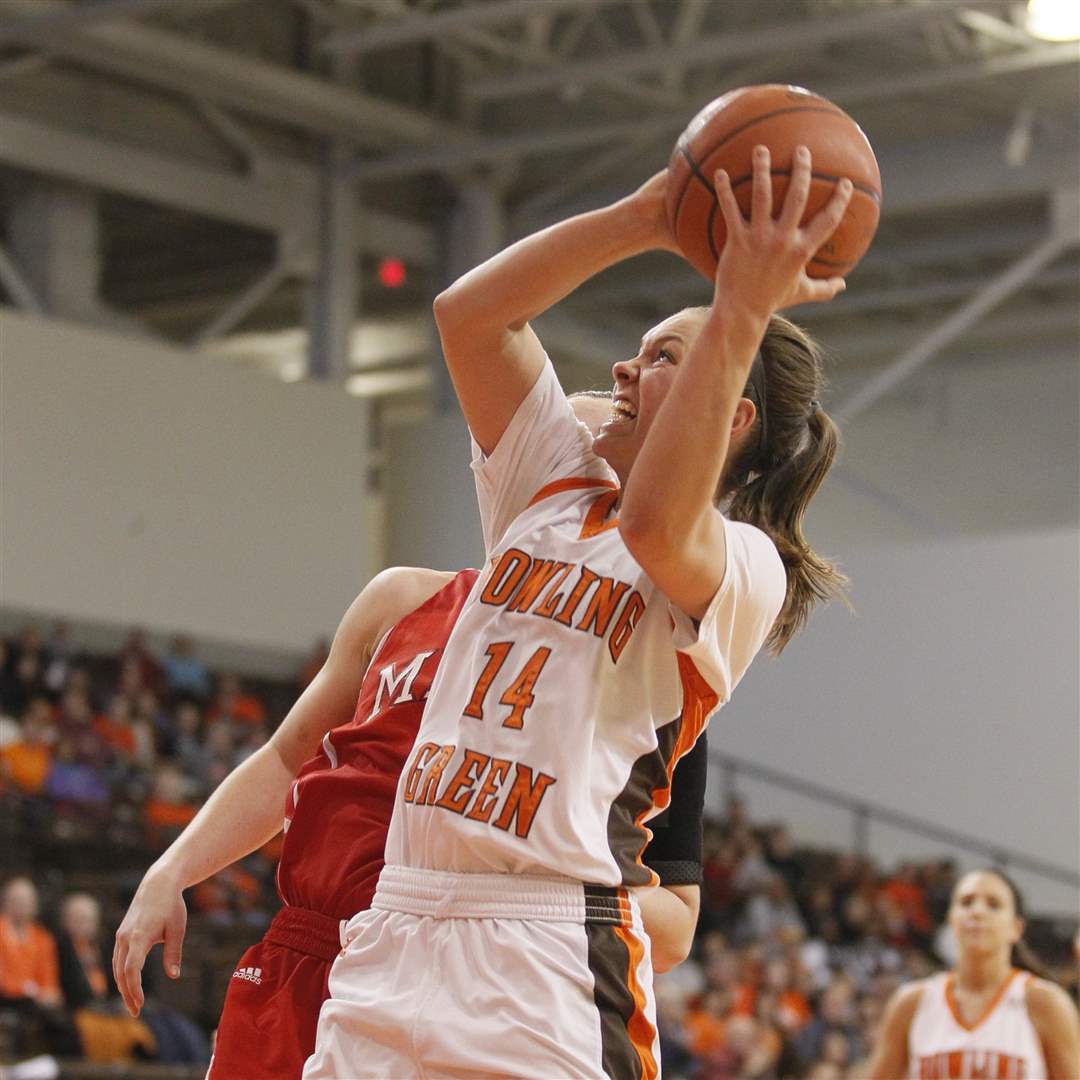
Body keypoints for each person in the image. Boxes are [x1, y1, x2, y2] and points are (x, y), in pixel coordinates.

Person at [304, 146, 852, 1078]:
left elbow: (653, 522)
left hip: (546, 942)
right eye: (637, 352)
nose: (623, 369)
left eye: (662, 358)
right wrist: (643, 218)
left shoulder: (743, 567)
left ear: (732, 420)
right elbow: (469, 316)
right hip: (399, 916)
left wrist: (743, 307)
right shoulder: (549, 486)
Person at [114, 396, 705, 1079]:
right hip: (307, 949)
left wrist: (527, 884)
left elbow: (674, 928)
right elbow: (284, 759)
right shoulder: (402, 599)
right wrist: (173, 871)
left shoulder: (649, 667)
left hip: (470, 971)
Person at [865, 868, 1080, 1079]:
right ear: (951, 920)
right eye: (966, 902)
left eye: (994, 905)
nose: (977, 912)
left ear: (1016, 928)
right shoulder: (911, 1002)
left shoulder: (1046, 1003)